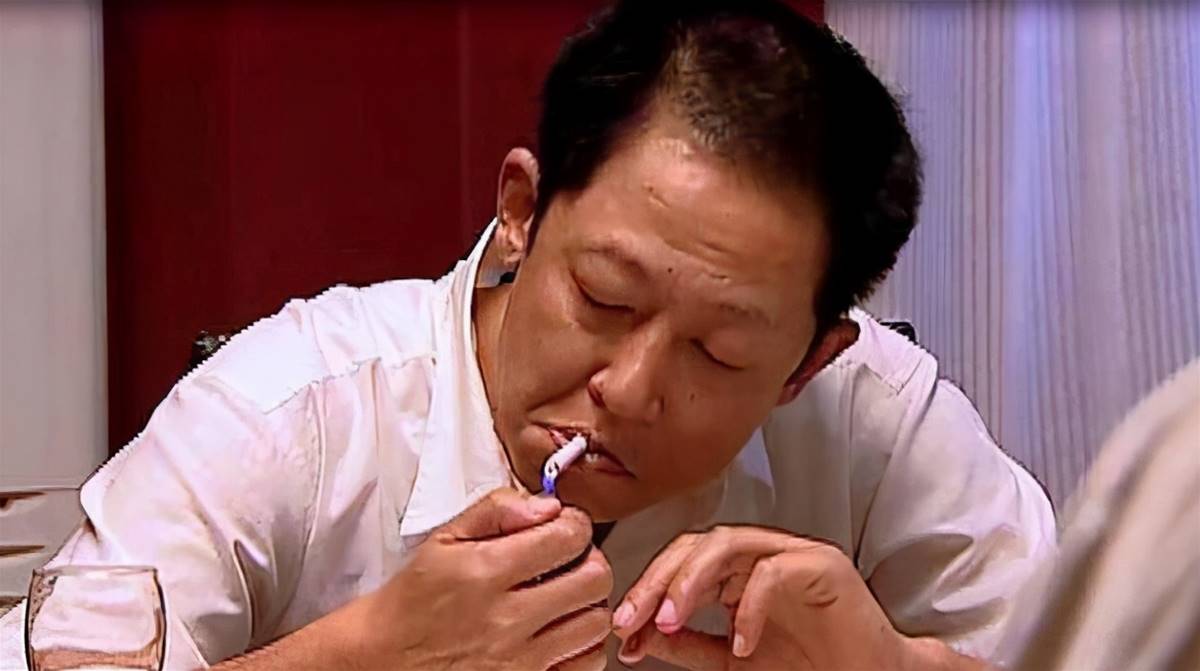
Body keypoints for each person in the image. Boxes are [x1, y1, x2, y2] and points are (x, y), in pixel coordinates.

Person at [0, 1, 1054, 669]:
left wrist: (889, 667)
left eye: (719, 353)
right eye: (604, 296)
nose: (630, 389)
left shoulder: (872, 420)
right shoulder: (293, 412)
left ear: (808, 362)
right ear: (521, 209)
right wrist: (369, 654)